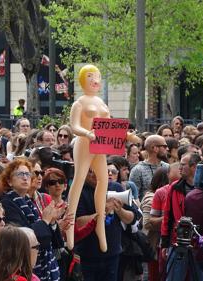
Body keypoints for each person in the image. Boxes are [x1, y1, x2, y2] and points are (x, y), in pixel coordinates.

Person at [65, 64, 139, 252]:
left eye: (97, 75)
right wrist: (87, 133)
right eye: (90, 76)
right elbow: (73, 126)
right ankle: (70, 227)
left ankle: (100, 228)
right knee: (79, 180)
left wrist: (127, 135)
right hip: (85, 144)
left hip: (100, 145)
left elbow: (110, 127)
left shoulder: (102, 103)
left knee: (103, 181)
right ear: (83, 80)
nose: (94, 79)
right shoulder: (79, 103)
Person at [0, 159, 63, 281]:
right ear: (9, 181)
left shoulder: (29, 202)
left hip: (44, 265)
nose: (25, 178)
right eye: (20, 174)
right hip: (25, 267)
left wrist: (53, 222)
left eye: (28, 174)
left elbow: (53, 242)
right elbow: (23, 237)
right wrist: (45, 221)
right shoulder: (7, 204)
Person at [161, 152, 203, 281]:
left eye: (183, 164)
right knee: (174, 277)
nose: (179, 167)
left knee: (201, 277)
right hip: (178, 241)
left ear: (194, 167)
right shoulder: (174, 187)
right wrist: (165, 243)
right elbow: (167, 215)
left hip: (201, 241)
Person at [129, 135, 169, 200]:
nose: (167, 149)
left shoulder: (167, 167)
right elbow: (133, 197)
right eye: (164, 146)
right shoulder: (137, 170)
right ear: (155, 148)